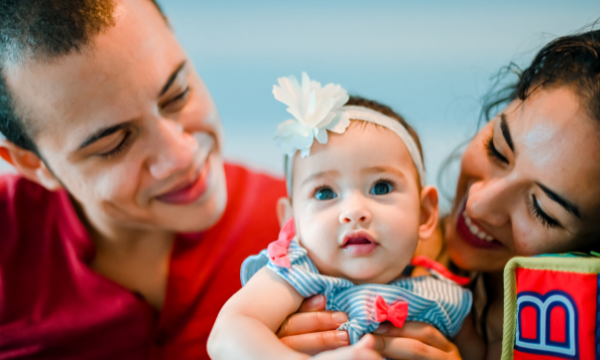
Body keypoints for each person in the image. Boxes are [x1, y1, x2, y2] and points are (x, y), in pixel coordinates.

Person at [0, 1, 463, 359]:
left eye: (178, 93)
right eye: (114, 143)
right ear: (30, 162)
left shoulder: (341, 230)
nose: (182, 156)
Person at [278, 28, 600, 360]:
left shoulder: (575, 337)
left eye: (542, 209)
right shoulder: (331, 260)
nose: (477, 203)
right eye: (497, 150)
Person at [208, 74, 475, 360]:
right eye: (324, 193)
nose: (354, 212)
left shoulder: (445, 296)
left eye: (381, 187)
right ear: (292, 221)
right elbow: (227, 333)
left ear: (424, 214)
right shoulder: (299, 276)